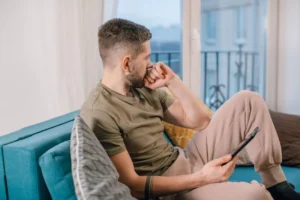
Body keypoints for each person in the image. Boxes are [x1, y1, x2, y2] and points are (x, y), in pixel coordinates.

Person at [80, 18, 300, 200]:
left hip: (186, 161)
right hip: (172, 191)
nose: (151, 63)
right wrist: (204, 178)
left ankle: (277, 185)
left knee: (248, 100)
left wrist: (173, 81)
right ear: (126, 64)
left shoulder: (143, 88)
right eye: (146, 57)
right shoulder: (100, 112)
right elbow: (134, 185)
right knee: (255, 196)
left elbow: (200, 121)